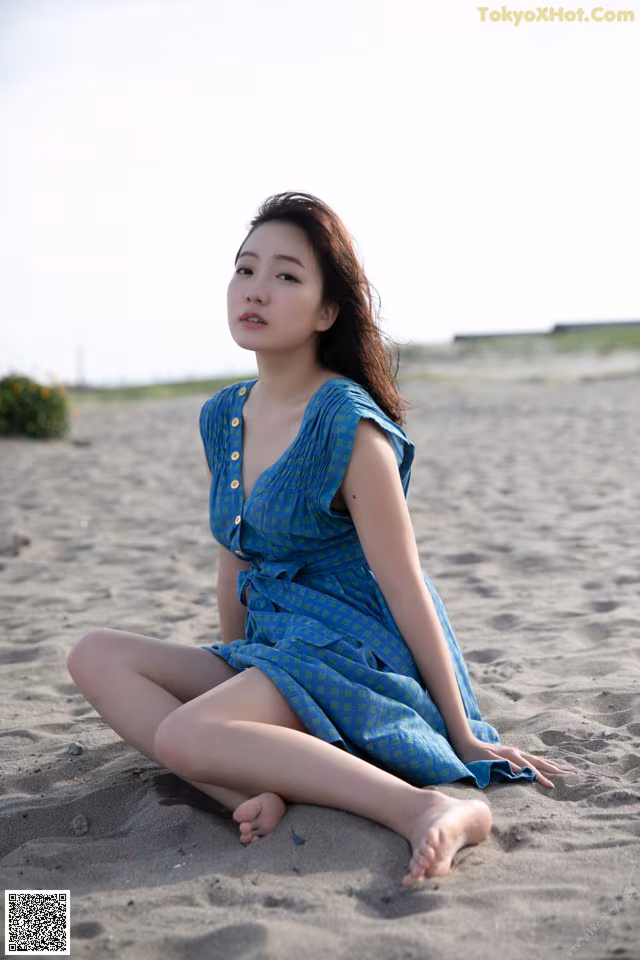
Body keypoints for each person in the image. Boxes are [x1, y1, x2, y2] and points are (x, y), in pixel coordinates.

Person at [67, 192, 567, 887]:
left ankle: (426, 809)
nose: (256, 290)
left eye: (286, 276)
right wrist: (238, 667)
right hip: (276, 647)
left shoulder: (346, 423)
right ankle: (246, 793)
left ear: (327, 312)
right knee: (95, 655)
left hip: (352, 652)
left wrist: (461, 727)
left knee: (184, 733)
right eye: (245, 270)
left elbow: (404, 582)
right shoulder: (224, 416)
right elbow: (234, 556)